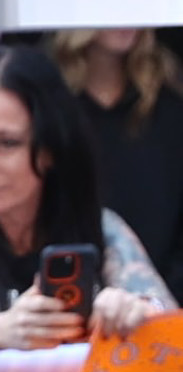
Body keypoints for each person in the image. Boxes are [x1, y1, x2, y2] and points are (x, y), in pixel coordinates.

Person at [0, 44, 175, 350]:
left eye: (7, 143)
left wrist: (137, 313)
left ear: (50, 148)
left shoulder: (102, 228)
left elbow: (170, 329)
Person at [52, 24, 183, 294]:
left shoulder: (169, 109)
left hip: (165, 301)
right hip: (74, 294)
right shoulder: (54, 110)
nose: (126, 19)